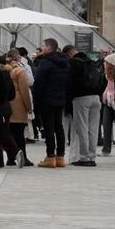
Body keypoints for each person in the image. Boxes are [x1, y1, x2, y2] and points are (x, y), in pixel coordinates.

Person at [33, 38, 71, 168]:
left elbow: (39, 82)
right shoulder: (65, 62)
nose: (41, 48)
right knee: (59, 127)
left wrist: (36, 99)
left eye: (43, 46)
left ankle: (50, 157)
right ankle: (60, 156)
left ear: (49, 48)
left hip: (46, 99)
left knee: (49, 128)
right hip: (60, 98)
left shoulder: (46, 62)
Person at [68, 48, 104, 167]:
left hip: (81, 98)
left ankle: (84, 157)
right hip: (96, 98)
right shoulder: (92, 64)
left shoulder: (74, 63)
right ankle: (92, 156)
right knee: (93, 129)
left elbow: (70, 82)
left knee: (82, 128)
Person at [5, 51, 34, 167]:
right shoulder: (19, 71)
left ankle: (11, 158)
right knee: (19, 133)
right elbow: (24, 91)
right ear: (17, 58)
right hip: (18, 104)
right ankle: (23, 157)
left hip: (7, 103)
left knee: (9, 132)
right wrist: (29, 106)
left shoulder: (5, 69)